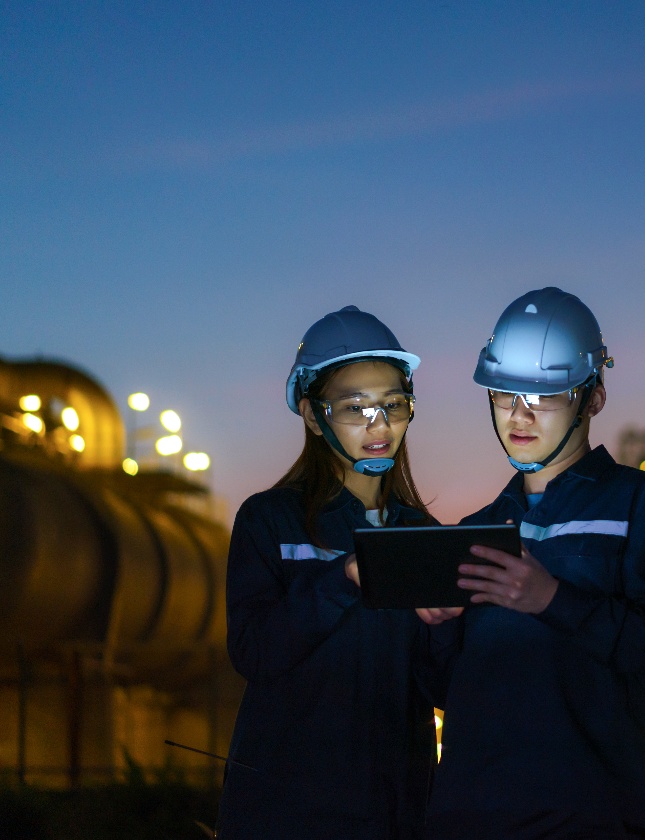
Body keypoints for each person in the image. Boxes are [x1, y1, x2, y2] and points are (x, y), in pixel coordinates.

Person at [423, 287, 645, 839]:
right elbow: (444, 691)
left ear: (593, 398)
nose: (519, 416)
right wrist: (437, 627)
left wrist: (552, 600)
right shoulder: (476, 530)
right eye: (505, 395)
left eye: (544, 396)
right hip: (470, 819)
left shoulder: (643, 507)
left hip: (589, 818)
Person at [217, 306, 447, 839]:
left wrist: (453, 626)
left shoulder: (421, 534)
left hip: (397, 812)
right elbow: (254, 652)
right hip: (286, 812)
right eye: (354, 407)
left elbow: (443, 687)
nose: (380, 424)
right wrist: (343, 577)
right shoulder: (269, 520)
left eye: (393, 404)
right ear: (311, 414)